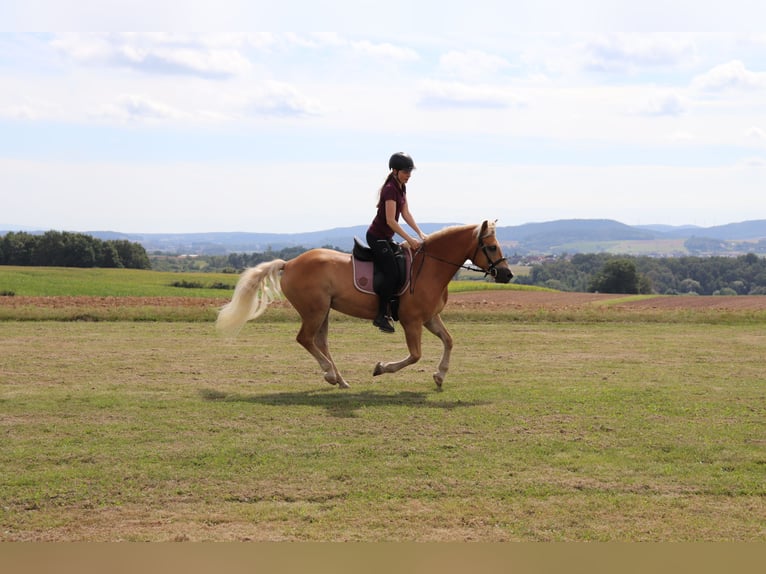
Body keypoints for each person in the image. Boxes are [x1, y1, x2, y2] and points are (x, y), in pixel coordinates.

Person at [366, 152, 428, 333]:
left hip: (386, 238)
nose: (409, 175)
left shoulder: (401, 187)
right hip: (377, 237)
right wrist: (409, 239)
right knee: (391, 272)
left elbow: (406, 213)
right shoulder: (390, 189)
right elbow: (391, 221)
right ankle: (381, 316)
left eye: (410, 172)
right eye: (405, 171)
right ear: (394, 170)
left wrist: (420, 233)